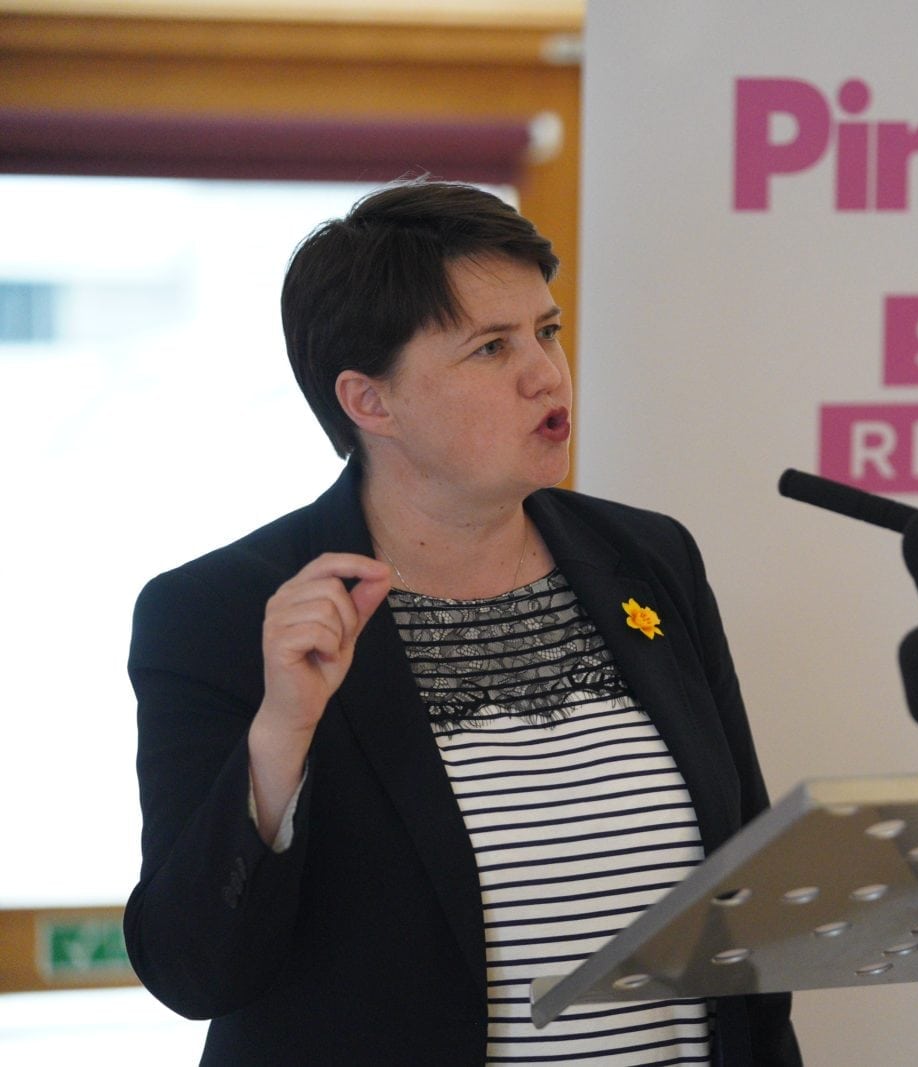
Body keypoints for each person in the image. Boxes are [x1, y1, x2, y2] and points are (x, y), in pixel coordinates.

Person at [125, 180, 801, 1066]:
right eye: (490, 348)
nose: (546, 373)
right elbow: (191, 968)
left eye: (547, 331)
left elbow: (743, 899)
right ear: (371, 403)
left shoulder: (650, 560)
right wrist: (282, 732)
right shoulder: (223, 611)